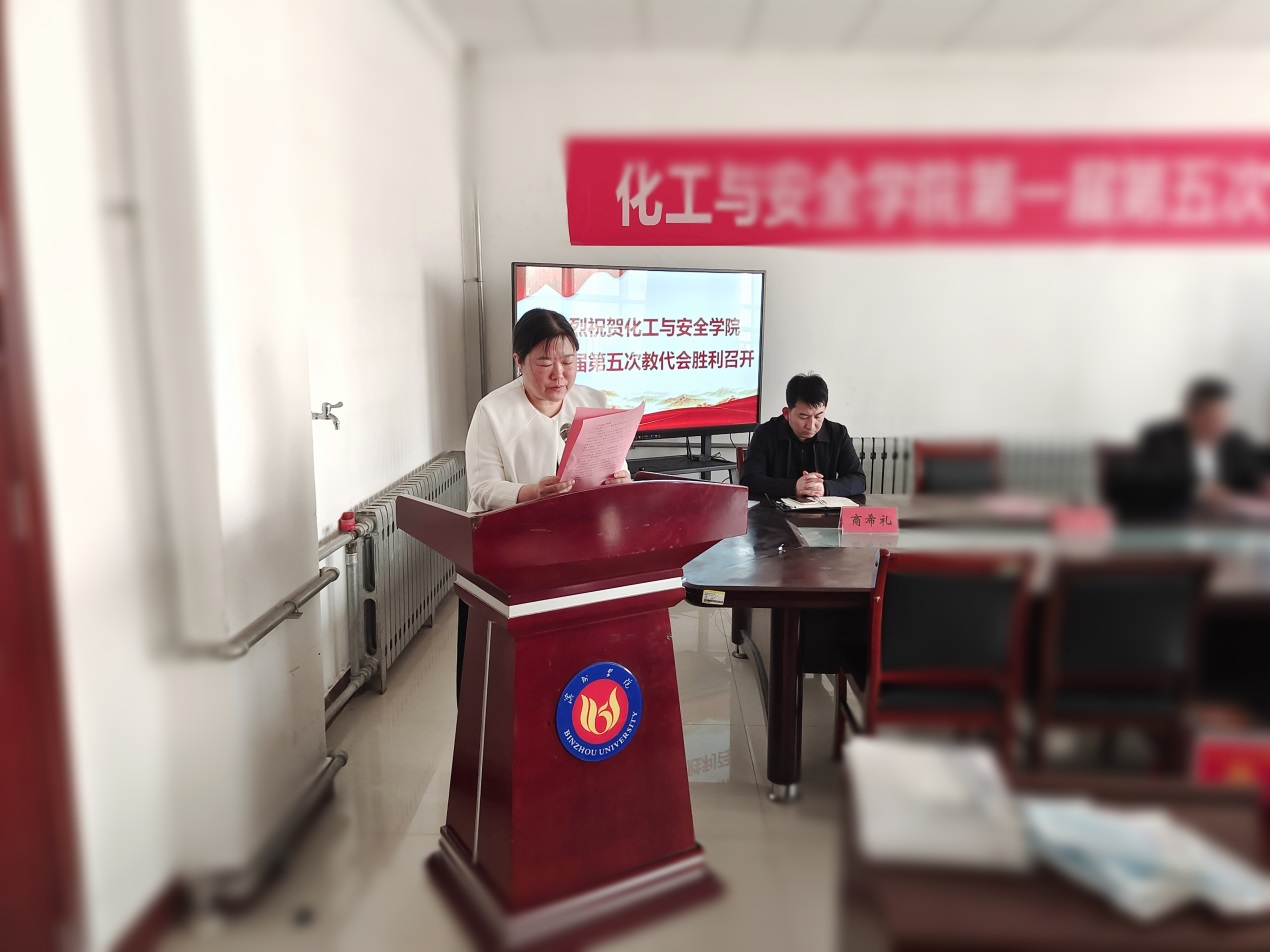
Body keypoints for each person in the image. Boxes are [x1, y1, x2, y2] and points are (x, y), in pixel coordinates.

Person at [457, 308, 630, 697]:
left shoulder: (592, 400)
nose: (559, 375)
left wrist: (621, 479)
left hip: (576, 553)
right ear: (518, 361)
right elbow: (483, 488)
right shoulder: (493, 411)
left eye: (568, 361)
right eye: (545, 362)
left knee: (572, 668)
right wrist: (531, 493)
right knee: (512, 676)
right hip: (507, 557)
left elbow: (616, 464)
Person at [1138, 377, 1270, 506]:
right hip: (1178, 512)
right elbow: (1154, 481)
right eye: (1216, 417)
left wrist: (1262, 484)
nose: (1224, 424)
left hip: (1228, 513)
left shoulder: (1235, 440)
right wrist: (1198, 491)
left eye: (1227, 416)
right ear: (1190, 415)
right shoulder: (1161, 439)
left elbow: (1251, 474)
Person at [741, 373, 866, 502]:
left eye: (818, 416)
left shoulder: (838, 434)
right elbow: (749, 480)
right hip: (773, 511)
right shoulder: (765, 433)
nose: (811, 425)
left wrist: (825, 488)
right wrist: (794, 487)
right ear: (787, 413)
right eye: (803, 417)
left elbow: (859, 480)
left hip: (824, 512)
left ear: (825, 408)